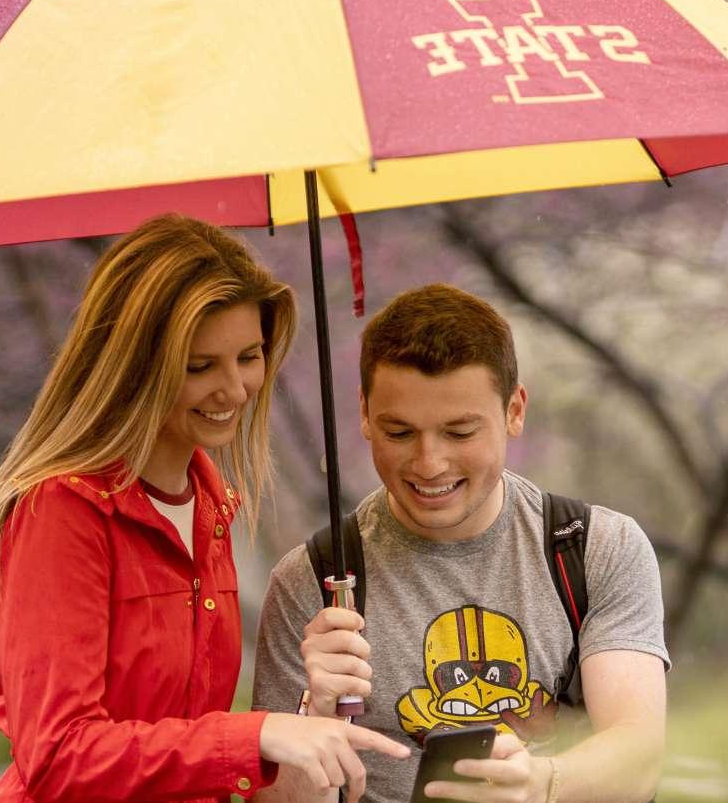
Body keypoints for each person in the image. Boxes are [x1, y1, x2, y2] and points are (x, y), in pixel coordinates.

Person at [0, 214, 406, 803]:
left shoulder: (211, 507)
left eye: (249, 356)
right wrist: (259, 734)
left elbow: (188, 752)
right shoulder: (61, 511)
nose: (235, 389)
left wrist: (311, 713)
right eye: (199, 366)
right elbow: (59, 755)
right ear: (133, 364)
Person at [251, 283, 669, 803]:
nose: (429, 463)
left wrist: (538, 785)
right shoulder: (313, 581)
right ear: (362, 413)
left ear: (515, 411)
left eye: (460, 432)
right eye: (400, 433)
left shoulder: (592, 549)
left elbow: (638, 758)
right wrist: (314, 714)